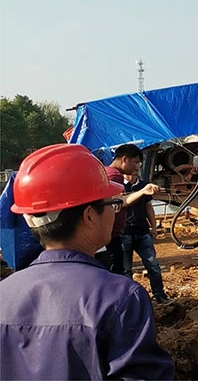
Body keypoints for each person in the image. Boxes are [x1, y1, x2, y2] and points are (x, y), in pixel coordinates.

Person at [0, 143, 174, 380]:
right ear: (90, 216)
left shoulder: (4, 294)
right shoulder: (121, 298)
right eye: (113, 204)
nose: (115, 211)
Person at [99, 144, 160, 274]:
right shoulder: (115, 175)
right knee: (119, 273)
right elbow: (119, 201)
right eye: (136, 162)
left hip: (111, 234)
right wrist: (143, 191)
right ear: (125, 159)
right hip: (113, 236)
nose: (137, 167)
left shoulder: (105, 172)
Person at [121, 172, 170, 304]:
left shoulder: (143, 185)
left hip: (142, 231)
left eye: (138, 164)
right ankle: (130, 300)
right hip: (124, 233)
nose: (136, 167)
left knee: (153, 265)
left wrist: (153, 226)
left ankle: (159, 294)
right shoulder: (119, 187)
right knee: (126, 270)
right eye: (135, 163)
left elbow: (148, 207)